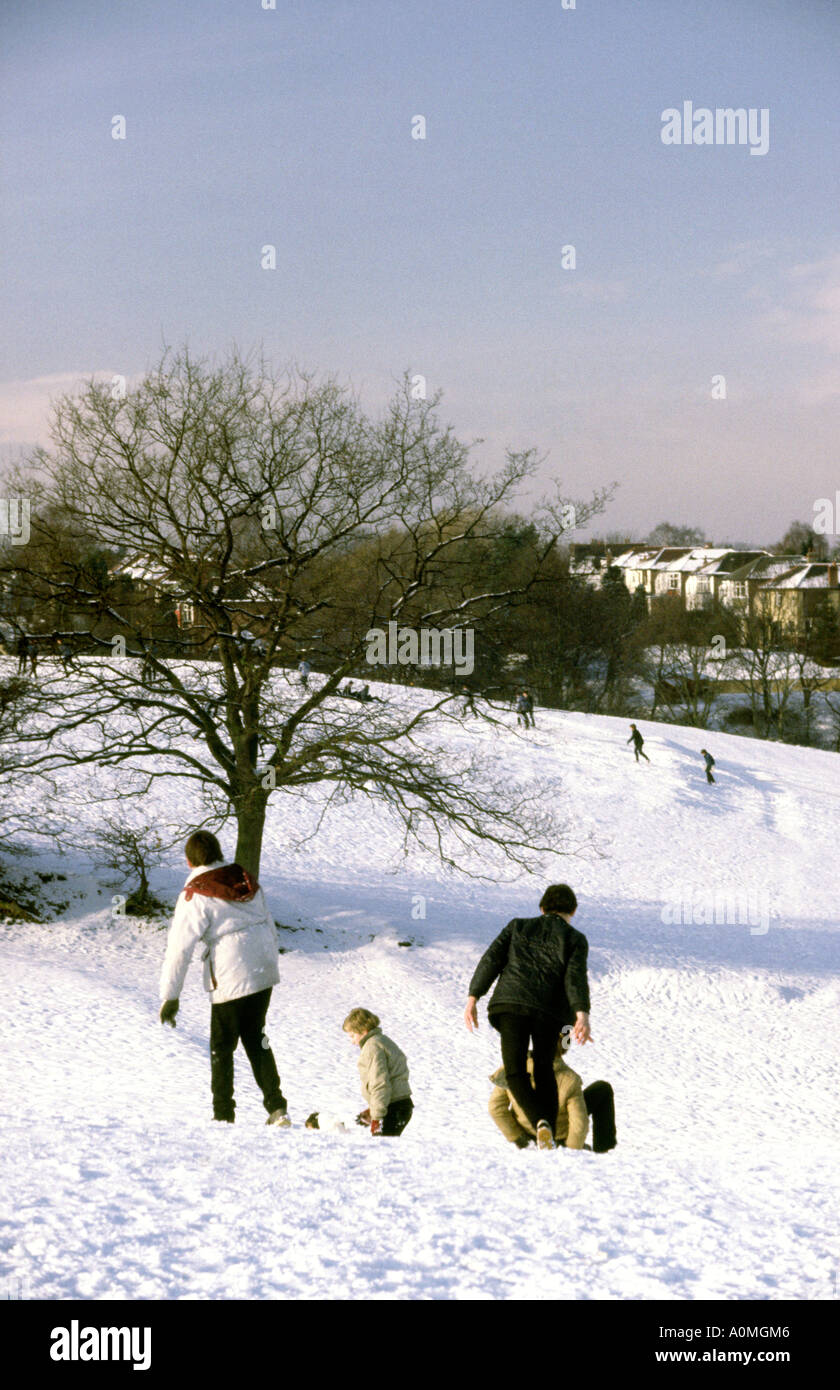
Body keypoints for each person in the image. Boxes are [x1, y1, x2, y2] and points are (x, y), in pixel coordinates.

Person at [158, 830, 290, 1126]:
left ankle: (223, 1116)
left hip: (231, 971)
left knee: (222, 1046)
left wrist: (171, 995)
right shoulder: (244, 878)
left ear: (189, 861)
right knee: (257, 1037)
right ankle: (277, 1107)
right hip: (262, 966)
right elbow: (269, 922)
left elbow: (179, 948)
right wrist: (270, 959)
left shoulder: (195, 893)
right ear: (218, 853)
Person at [464, 883, 591, 1151]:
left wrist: (473, 997)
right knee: (544, 1068)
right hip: (548, 1012)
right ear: (574, 910)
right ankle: (548, 1129)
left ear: (542, 907)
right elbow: (575, 978)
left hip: (510, 1006)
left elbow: (491, 960)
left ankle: (541, 1124)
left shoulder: (517, 927)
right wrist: (582, 1014)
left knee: (515, 1071)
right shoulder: (575, 939)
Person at [489, 1042, 617, 1153]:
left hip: (528, 1133)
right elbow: (579, 1124)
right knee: (602, 1089)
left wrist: (520, 1139)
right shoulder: (570, 1079)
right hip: (558, 1137)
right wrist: (570, 1151)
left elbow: (496, 1108)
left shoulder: (511, 1069)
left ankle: (536, 1140)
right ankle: (603, 1154)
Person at [342, 1007, 413, 1137]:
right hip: (398, 1105)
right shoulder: (381, 1041)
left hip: (394, 1107)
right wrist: (373, 1109)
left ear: (363, 1030)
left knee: (382, 1151)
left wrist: (377, 1117)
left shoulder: (372, 1047)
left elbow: (380, 1083)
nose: (352, 1041)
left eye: (353, 1035)